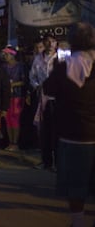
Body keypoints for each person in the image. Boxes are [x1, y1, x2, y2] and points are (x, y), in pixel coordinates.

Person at [43, 22, 95, 227]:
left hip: (72, 134)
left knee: (75, 184)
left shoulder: (63, 67)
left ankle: (78, 221)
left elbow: (48, 89)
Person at [30, 32, 59, 170]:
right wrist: (37, 86)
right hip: (43, 99)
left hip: (58, 99)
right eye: (47, 41)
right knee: (44, 131)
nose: (49, 44)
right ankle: (46, 161)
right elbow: (32, 77)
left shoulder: (61, 58)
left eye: (52, 41)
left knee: (57, 131)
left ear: (56, 43)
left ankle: (58, 162)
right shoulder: (38, 59)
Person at [1, 46, 26, 151]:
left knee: (15, 118)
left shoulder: (20, 66)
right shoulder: (4, 67)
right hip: (7, 96)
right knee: (8, 119)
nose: (5, 56)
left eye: (7, 54)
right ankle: (10, 142)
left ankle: (15, 143)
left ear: (12, 55)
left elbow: (24, 81)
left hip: (17, 95)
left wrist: (12, 85)